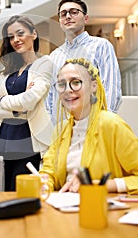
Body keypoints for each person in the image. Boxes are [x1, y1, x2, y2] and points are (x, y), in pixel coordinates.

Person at [40, 58, 138, 195]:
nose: (68, 90)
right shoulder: (60, 130)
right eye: (62, 84)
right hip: (64, 210)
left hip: (102, 209)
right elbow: (49, 172)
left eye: (76, 82)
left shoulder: (112, 124)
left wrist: (99, 185)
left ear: (93, 86)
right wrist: (44, 182)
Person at [0, 15, 54, 191]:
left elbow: (29, 101)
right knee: (0, 193)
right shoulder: (5, 73)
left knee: (24, 195)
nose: (15, 40)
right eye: (11, 37)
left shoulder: (44, 64)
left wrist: (3, 100)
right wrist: (16, 110)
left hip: (28, 144)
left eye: (20, 33)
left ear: (34, 34)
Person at [47, 0, 122, 125]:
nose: (68, 16)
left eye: (74, 12)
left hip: (94, 126)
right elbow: (51, 96)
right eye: (63, 14)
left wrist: (104, 125)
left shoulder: (101, 46)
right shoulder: (54, 55)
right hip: (62, 130)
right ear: (59, 21)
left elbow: (111, 88)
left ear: (86, 18)